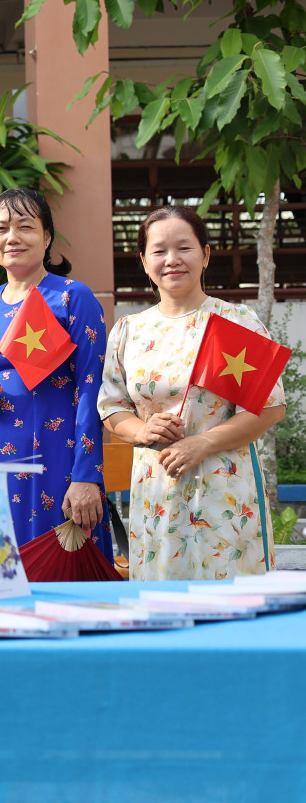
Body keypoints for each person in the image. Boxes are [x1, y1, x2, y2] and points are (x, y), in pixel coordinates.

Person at [98, 205, 285, 579]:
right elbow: (112, 407)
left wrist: (203, 442)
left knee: (229, 599)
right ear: (144, 261)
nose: (172, 260)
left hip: (224, 492)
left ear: (206, 254)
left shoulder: (235, 321)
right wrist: (142, 430)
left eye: (184, 247)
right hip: (156, 493)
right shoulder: (129, 330)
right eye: (159, 250)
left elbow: (270, 407)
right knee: (161, 599)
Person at [0, 188, 111, 555]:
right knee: (1, 568)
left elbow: (91, 388)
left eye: (25, 227)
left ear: (47, 237)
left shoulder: (72, 297)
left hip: (58, 458)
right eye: (1, 229)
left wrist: (86, 475)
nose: (12, 237)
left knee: (60, 569)